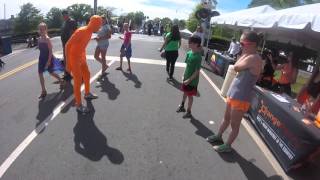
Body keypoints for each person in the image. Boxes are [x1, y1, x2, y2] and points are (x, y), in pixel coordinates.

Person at [206, 31, 263, 152]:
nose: (240, 45)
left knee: (234, 124)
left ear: (252, 44)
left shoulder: (255, 58)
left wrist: (243, 54)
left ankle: (227, 146)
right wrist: (244, 53)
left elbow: (236, 67)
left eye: (243, 43)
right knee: (226, 118)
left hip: (241, 97)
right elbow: (236, 65)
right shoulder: (248, 55)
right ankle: (218, 135)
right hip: (234, 93)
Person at [65, 15, 102, 113]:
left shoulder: (89, 32)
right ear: (94, 23)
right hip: (74, 57)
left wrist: (83, 57)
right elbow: (67, 45)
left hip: (81, 56)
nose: (99, 27)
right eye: (99, 25)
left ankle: (87, 93)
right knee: (77, 80)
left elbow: (82, 45)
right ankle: (78, 105)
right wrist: (68, 64)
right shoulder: (81, 31)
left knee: (87, 74)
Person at [176, 36, 202, 118]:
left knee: (190, 96)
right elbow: (187, 66)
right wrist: (184, 75)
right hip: (186, 78)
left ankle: (189, 111)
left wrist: (189, 80)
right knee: (184, 92)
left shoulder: (198, 57)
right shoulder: (189, 53)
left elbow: (197, 71)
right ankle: (182, 106)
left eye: (190, 42)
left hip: (192, 81)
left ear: (196, 44)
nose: (188, 44)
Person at [37, 22, 64, 99]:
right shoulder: (39, 39)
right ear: (38, 30)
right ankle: (43, 91)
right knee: (40, 73)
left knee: (51, 72)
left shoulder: (47, 39)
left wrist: (49, 61)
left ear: (46, 29)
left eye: (43, 29)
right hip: (41, 59)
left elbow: (50, 51)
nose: (41, 30)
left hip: (48, 58)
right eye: (40, 29)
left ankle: (61, 80)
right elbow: (40, 49)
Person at [61, 10, 77, 82]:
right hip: (65, 44)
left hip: (70, 44)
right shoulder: (64, 22)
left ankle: (81, 75)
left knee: (72, 60)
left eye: (65, 15)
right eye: (63, 15)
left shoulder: (72, 21)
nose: (64, 16)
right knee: (66, 60)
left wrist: (71, 43)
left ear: (68, 14)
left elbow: (74, 32)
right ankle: (67, 74)